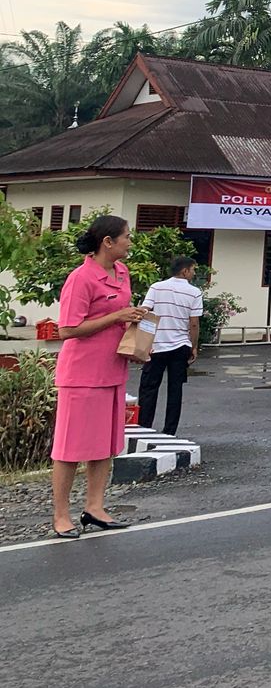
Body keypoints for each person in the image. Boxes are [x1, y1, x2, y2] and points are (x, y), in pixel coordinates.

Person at [50, 214, 152, 539]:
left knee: (105, 445)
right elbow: (67, 329)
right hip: (81, 374)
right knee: (69, 448)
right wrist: (117, 316)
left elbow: (117, 314)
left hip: (113, 369)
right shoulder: (80, 278)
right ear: (108, 242)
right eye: (126, 237)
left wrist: (132, 319)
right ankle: (61, 516)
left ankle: (95, 507)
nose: (130, 243)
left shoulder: (122, 272)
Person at [137, 256, 203, 436]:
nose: (194, 273)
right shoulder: (194, 292)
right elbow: (194, 323)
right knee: (175, 389)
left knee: (149, 387)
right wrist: (194, 346)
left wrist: (143, 341)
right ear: (185, 271)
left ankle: (143, 428)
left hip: (156, 345)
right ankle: (169, 431)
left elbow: (145, 312)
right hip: (180, 345)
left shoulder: (156, 287)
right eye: (193, 269)